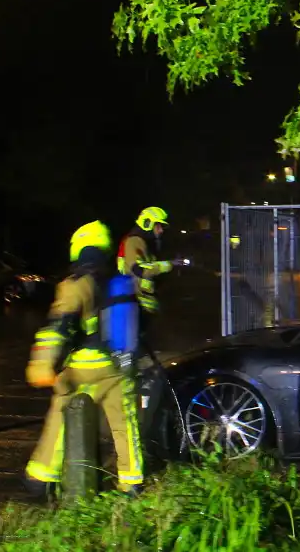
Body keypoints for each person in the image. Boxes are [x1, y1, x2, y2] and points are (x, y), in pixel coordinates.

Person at [24, 220, 145, 497]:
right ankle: (132, 482)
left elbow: (59, 326)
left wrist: (41, 363)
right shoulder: (119, 281)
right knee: (125, 424)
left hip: (83, 367)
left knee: (61, 412)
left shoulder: (76, 284)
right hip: (118, 366)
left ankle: (40, 477)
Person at [118, 206, 183, 334]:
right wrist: (168, 265)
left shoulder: (143, 243)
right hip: (137, 304)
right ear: (147, 223)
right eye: (158, 226)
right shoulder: (134, 241)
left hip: (143, 305)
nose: (161, 231)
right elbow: (139, 269)